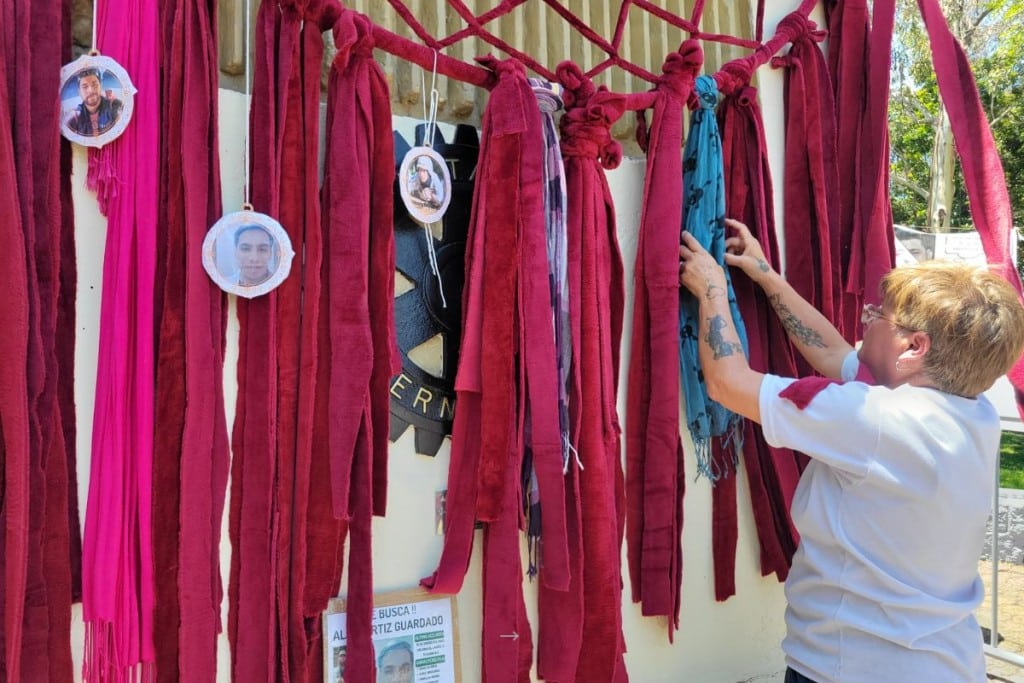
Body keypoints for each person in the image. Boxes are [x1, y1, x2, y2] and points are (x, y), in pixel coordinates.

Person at [678, 218, 1024, 683]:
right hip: (946, 665)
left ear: (914, 347)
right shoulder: (971, 413)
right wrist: (765, 274)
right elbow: (833, 353)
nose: (868, 318)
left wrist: (713, 290)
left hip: (851, 668)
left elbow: (728, 383)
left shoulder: (873, 419)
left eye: (879, 315)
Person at [66, 68, 122, 137]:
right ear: (79, 92)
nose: (91, 90)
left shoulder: (113, 106)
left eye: (94, 84)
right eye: (85, 87)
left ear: (100, 86)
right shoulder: (75, 118)